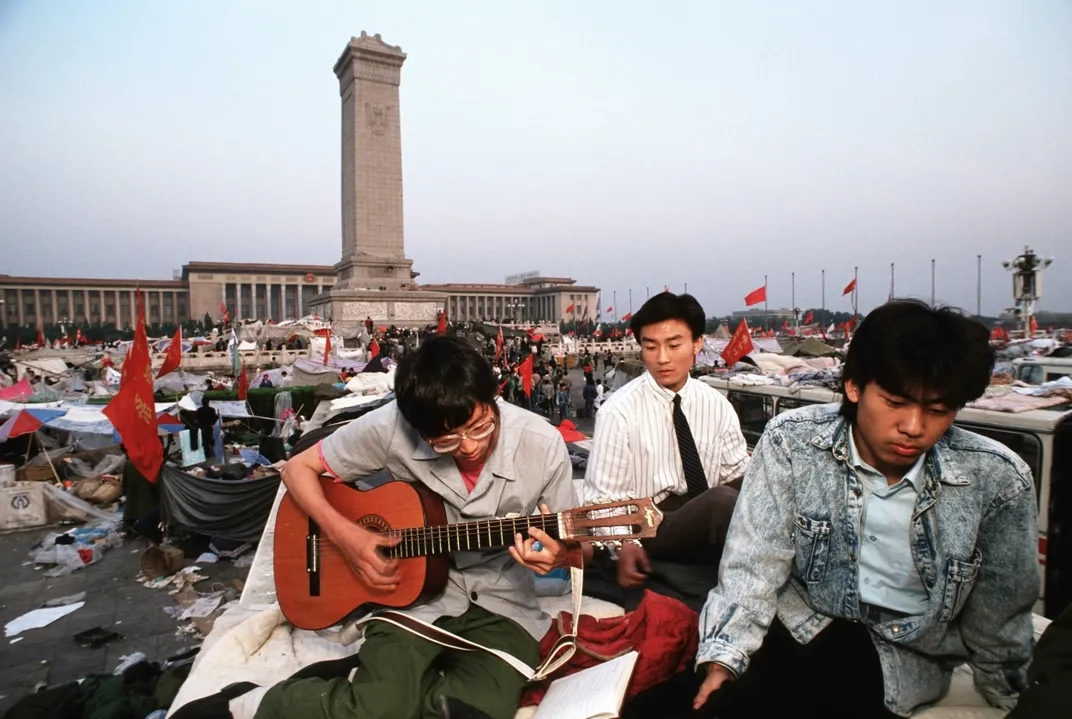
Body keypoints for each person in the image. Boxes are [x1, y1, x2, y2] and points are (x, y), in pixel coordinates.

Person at [632, 300, 1039, 719]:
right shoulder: (792, 441)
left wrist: (1006, 695)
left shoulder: (998, 480)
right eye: (896, 403)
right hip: (798, 621)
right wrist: (725, 655)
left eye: (937, 411)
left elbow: (1002, 616)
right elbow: (754, 562)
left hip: (899, 658)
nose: (914, 427)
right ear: (854, 387)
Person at [254, 336, 578, 719]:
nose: (469, 447)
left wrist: (562, 554)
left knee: (474, 712)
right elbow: (298, 469)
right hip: (411, 602)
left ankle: (404, 690)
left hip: (503, 604)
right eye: (445, 441)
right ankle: (267, 702)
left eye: (479, 427)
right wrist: (347, 536)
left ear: (493, 398)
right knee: (378, 710)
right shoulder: (391, 426)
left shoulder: (541, 444)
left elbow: (576, 545)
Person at [583, 292, 747, 611]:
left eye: (674, 345)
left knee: (758, 481)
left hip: (707, 517)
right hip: (651, 524)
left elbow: (737, 476)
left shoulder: (716, 404)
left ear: (697, 344)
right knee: (721, 503)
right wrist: (623, 544)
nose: (662, 358)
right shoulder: (619, 412)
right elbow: (602, 499)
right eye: (650, 346)